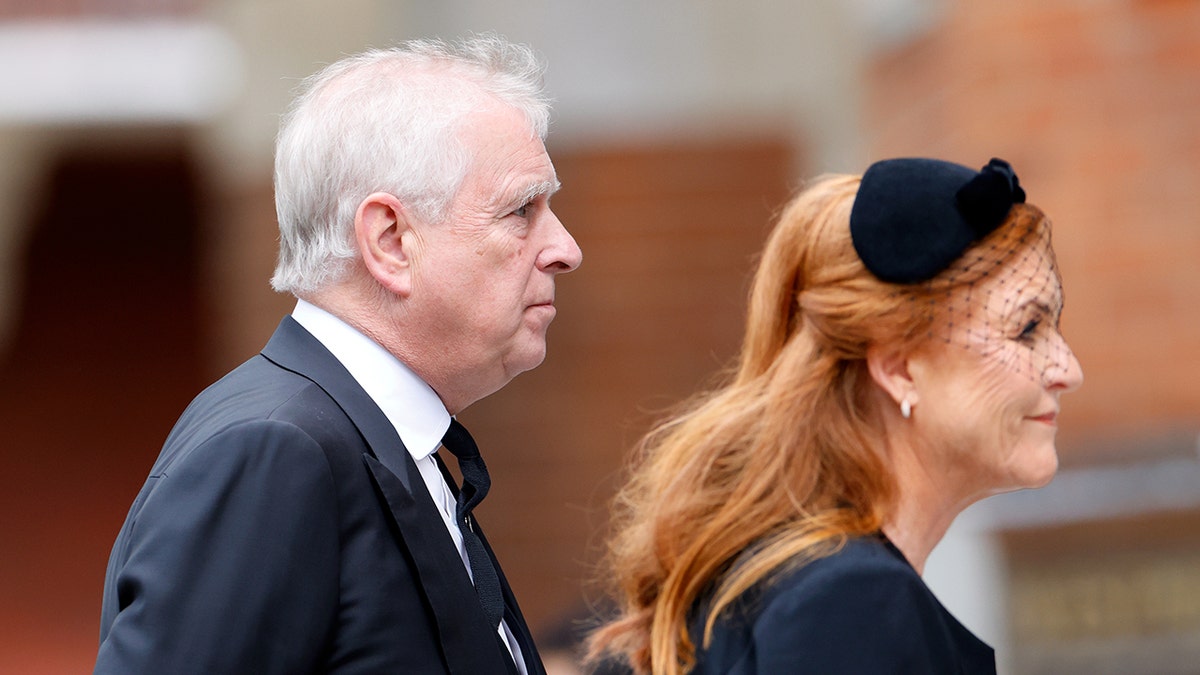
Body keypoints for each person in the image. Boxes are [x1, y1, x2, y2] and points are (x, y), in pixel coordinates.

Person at [95, 34, 581, 675]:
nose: (565, 249)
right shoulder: (273, 454)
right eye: (521, 210)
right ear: (390, 240)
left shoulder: (366, 439)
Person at [588, 157, 1083, 674]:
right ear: (899, 370)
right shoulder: (852, 602)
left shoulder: (809, 581)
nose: (1067, 370)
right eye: (1026, 329)